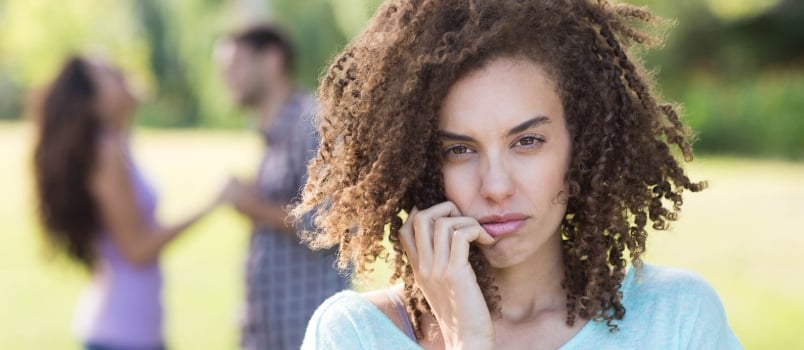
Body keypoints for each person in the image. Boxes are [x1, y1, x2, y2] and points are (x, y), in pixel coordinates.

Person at [294, 0, 743, 349]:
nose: (495, 186)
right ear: (421, 163)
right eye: (459, 150)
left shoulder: (676, 318)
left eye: (526, 142)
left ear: (581, 146)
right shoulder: (354, 335)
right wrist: (465, 340)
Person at [32, 56, 226, 350]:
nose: (123, 73)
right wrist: (213, 203)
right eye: (109, 73)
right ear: (93, 102)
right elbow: (137, 249)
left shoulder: (116, 141)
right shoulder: (105, 150)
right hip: (121, 334)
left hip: (133, 330)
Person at [217, 24, 350, 349]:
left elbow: (328, 224)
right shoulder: (274, 133)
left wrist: (252, 205)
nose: (226, 77)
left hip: (306, 333)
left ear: (272, 59)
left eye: (235, 64)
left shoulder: (312, 123)